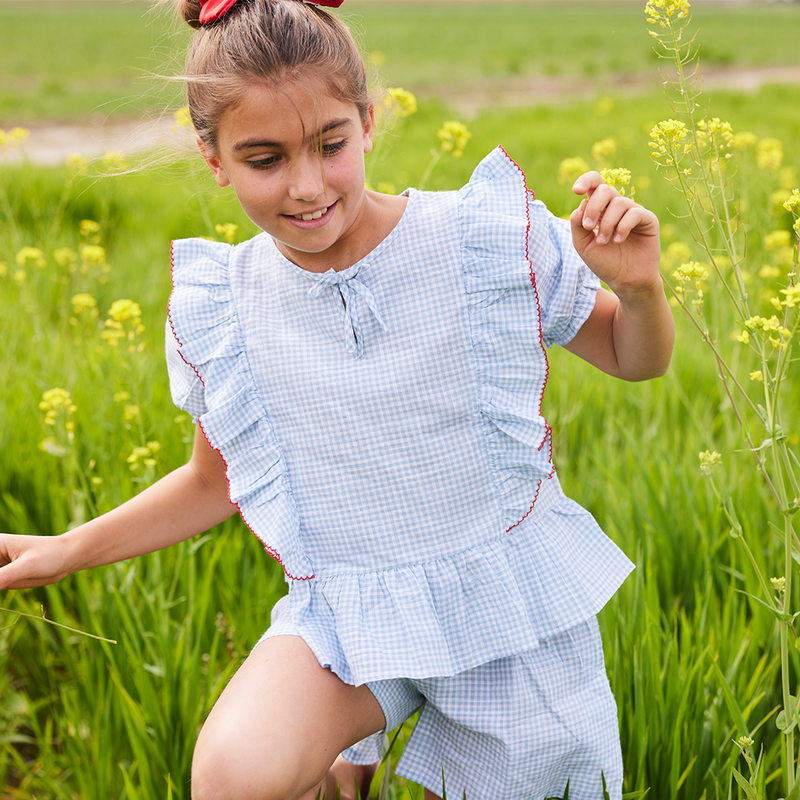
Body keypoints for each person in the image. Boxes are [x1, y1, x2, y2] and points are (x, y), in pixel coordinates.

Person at [0, 0, 675, 798]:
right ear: (213, 158)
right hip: (348, 615)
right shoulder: (227, 306)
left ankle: (362, 773)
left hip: (506, 614)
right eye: (264, 159)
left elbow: (636, 361)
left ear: (368, 120)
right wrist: (66, 548)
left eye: (331, 145)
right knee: (232, 771)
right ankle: (346, 767)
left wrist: (638, 291)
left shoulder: (478, 241)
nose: (307, 186)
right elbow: (214, 483)